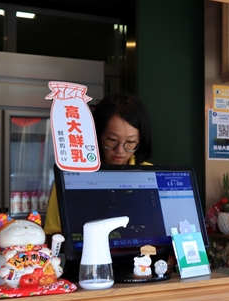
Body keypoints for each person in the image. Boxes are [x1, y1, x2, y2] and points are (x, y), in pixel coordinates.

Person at [44, 93, 153, 234]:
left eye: (130, 142)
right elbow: (52, 234)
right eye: (112, 140)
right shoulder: (70, 174)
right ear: (97, 134)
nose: (120, 150)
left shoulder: (150, 175)